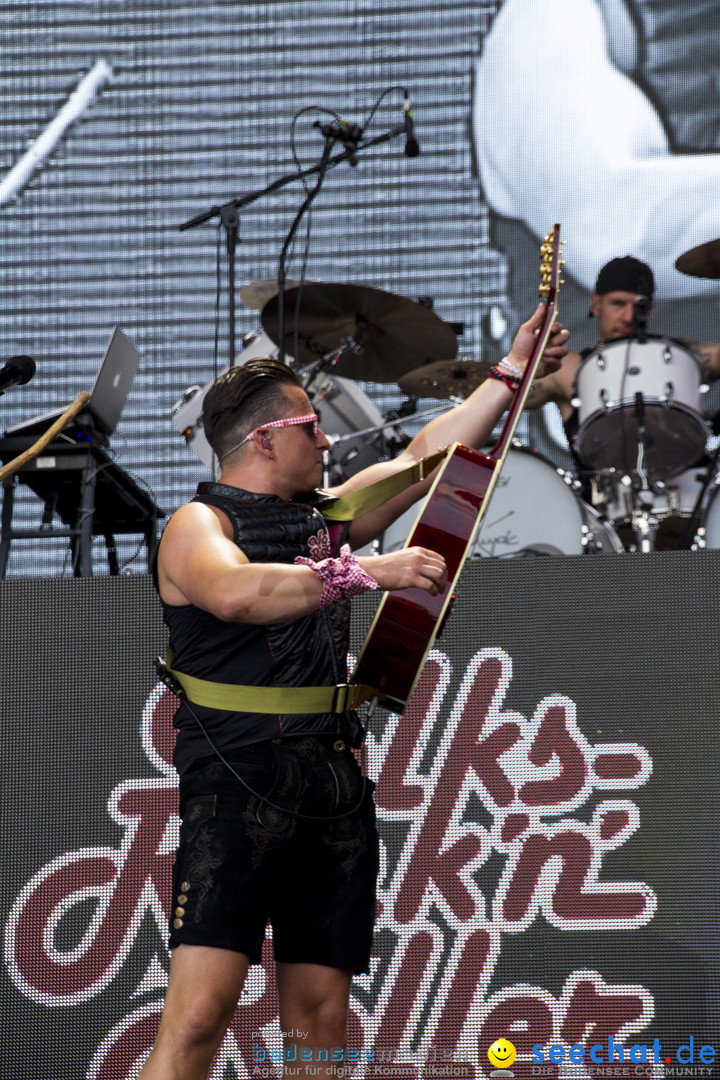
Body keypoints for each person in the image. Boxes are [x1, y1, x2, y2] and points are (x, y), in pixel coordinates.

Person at [139, 302, 570, 1080]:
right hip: (237, 784)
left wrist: (512, 369)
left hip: (331, 786)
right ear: (266, 438)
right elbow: (237, 595)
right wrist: (371, 571)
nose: (328, 438)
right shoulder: (197, 527)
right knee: (199, 1019)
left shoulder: (324, 519)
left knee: (321, 1026)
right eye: (312, 427)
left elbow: (428, 453)